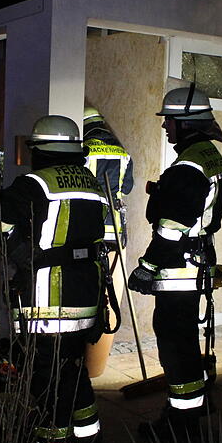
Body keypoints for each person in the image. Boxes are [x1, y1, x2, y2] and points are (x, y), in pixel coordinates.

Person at [0, 115, 107, 443]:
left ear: (40, 150)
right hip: (85, 295)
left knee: (47, 376)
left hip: (49, 301)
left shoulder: (34, 184)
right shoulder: (90, 182)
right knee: (73, 368)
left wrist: (17, 246)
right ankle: (89, 437)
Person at [128, 85, 222, 437]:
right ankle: (193, 408)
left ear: (186, 123)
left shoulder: (188, 165)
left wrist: (146, 267)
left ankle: (179, 426)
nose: (165, 126)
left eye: (169, 120)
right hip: (195, 262)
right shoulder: (208, 155)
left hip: (178, 269)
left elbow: (172, 228)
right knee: (185, 340)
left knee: (175, 344)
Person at [82, 106, 133, 377]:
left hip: (91, 230)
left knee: (88, 295)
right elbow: (127, 188)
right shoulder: (122, 152)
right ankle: (97, 365)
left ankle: (85, 363)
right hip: (115, 231)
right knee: (110, 297)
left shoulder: (85, 148)